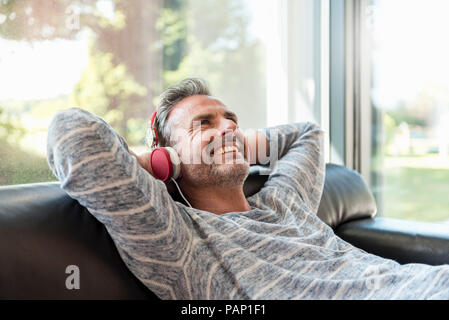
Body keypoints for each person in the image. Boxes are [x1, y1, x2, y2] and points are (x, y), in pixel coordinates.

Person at [47, 78, 449, 300]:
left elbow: (308, 135)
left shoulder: (283, 204)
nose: (228, 127)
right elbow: (73, 134)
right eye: (203, 122)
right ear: (167, 156)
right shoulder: (180, 240)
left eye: (233, 120)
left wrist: (229, 140)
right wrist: (159, 163)